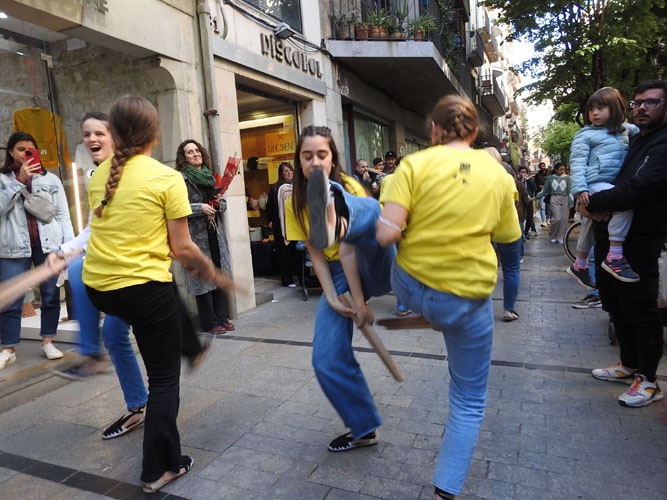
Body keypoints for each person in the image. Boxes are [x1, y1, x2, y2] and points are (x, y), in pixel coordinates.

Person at [82, 96, 228, 492]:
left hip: (99, 288)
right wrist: (216, 274)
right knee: (163, 380)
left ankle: (191, 347)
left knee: (163, 299)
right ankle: (160, 469)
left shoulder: (100, 174)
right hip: (140, 290)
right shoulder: (166, 178)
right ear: (154, 133)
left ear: (114, 134)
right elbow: (182, 249)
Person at [377, 95, 520, 500]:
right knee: (469, 399)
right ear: (475, 132)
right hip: (467, 299)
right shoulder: (498, 175)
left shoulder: (412, 165)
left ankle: (421, 312)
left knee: (376, 234)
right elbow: (509, 237)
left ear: (434, 130)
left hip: (412, 288)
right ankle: (446, 490)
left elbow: (386, 235)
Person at [284, 125, 395, 452]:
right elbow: (316, 253)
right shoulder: (294, 203)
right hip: (338, 271)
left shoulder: (351, 183)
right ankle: (364, 429)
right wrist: (332, 297)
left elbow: (348, 252)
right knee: (326, 359)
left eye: (322, 155)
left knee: (370, 209)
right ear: (299, 160)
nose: (315, 162)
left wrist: (360, 303)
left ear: (332, 159)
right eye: (307, 156)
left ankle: (338, 212)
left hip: (371, 257)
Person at [51, 112, 149, 440]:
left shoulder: (130, 174)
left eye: (99, 133)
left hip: (134, 271)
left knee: (81, 271)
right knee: (114, 334)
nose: (92, 139)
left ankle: (93, 356)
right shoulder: (98, 177)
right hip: (113, 270)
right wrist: (64, 250)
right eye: (87, 134)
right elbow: (93, 229)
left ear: (115, 138)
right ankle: (135, 403)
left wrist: (70, 253)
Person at [584, 79, 667, 408]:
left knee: (641, 310)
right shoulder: (633, 139)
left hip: (639, 243)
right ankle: (629, 364)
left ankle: (648, 381)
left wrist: (590, 202)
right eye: (638, 102)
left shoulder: (662, 143)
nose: (642, 107)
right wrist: (584, 199)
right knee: (617, 306)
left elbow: (638, 188)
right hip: (609, 239)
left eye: (652, 102)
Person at [0, 131, 74, 369]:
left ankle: (48, 341)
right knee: (12, 297)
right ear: (11, 152)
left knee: (51, 295)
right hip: (13, 246)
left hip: (48, 245)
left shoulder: (50, 179)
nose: (25, 154)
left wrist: (68, 246)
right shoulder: (3, 180)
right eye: (20, 149)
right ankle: (8, 348)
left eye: (29, 150)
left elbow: (63, 215)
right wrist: (19, 181)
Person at [567, 87, 640, 289]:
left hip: (612, 182)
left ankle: (580, 264)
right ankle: (615, 255)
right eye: (592, 109)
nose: (595, 113)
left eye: (600, 108)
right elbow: (578, 163)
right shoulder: (585, 135)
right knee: (623, 202)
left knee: (592, 221)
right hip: (596, 182)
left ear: (615, 108)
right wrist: (580, 190)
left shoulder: (628, 130)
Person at [175, 139, 234, 334]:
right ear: (184, 158)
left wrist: (218, 204)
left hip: (215, 234)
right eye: (190, 152)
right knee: (203, 280)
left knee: (218, 274)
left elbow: (223, 205)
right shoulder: (181, 179)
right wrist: (200, 208)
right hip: (195, 237)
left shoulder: (211, 177)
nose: (195, 154)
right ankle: (210, 322)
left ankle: (222, 317)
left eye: (197, 150)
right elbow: (176, 207)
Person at [484, 148, 524, 322]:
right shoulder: (507, 178)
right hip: (509, 230)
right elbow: (515, 201)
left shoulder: (476, 179)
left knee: (484, 270)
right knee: (511, 270)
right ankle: (509, 310)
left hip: (486, 231)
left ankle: (481, 309)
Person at [266, 161, 298, 287]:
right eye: (285, 171)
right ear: (281, 174)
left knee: (295, 251)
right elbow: (269, 206)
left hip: (295, 225)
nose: (289, 173)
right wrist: (270, 221)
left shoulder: (297, 186)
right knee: (283, 252)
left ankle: (298, 276)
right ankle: (287, 279)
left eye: (290, 170)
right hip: (280, 225)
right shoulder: (275, 188)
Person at [535, 162, 573, 244]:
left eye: (564, 169)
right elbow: (544, 190)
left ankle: (560, 237)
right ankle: (553, 235)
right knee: (557, 219)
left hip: (565, 199)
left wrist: (571, 202)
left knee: (564, 219)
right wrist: (535, 197)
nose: (563, 171)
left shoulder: (568, 178)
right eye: (561, 169)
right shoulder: (550, 178)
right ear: (555, 170)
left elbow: (570, 191)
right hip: (554, 198)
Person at [519, 166, 537, 238]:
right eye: (522, 172)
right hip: (521, 201)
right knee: (521, 217)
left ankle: (526, 231)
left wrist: (528, 180)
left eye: (525, 172)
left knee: (530, 217)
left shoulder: (529, 180)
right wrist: (522, 181)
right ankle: (521, 232)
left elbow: (534, 187)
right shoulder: (518, 180)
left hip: (529, 200)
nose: (523, 173)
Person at [533, 162, 548, 226]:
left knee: (548, 207)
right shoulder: (537, 175)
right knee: (542, 206)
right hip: (541, 192)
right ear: (539, 167)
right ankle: (544, 221)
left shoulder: (548, 173)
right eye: (541, 166)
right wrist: (538, 186)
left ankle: (548, 219)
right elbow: (535, 183)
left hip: (548, 192)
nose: (542, 167)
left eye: (543, 166)